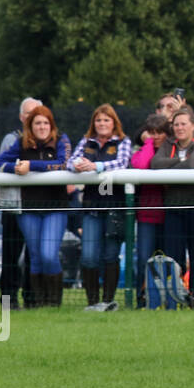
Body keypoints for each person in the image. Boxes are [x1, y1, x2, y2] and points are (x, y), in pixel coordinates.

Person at [0, 105, 72, 307]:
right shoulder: (21, 143)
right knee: (35, 256)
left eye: (46, 122)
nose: (42, 126)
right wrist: (15, 168)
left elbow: (63, 164)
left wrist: (31, 166)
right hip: (28, 208)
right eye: (38, 123)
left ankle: (54, 303)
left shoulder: (62, 140)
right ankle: (39, 304)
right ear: (30, 125)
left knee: (48, 254)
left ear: (51, 125)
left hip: (55, 207)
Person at [70, 104, 133, 310]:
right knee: (88, 255)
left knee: (110, 255)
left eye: (106, 120)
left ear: (114, 122)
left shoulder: (123, 142)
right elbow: (72, 161)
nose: (102, 124)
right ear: (93, 123)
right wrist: (78, 165)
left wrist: (96, 166)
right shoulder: (86, 142)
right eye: (98, 120)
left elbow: (122, 163)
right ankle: (92, 302)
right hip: (91, 207)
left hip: (115, 207)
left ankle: (108, 301)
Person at [150, 105, 194, 305]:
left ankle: (193, 295)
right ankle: (175, 296)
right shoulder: (169, 144)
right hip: (174, 207)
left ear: (193, 126)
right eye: (176, 124)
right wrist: (180, 159)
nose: (179, 128)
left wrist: (172, 168)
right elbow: (154, 164)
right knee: (173, 255)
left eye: (183, 124)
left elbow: (193, 164)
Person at [0, 97, 41, 309]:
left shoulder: (48, 139)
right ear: (21, 117)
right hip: (14, 205)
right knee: (11, 253)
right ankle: (8, 298)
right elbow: (1, 164)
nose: (32, 117)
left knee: (34, 253)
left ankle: (32, 297)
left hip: (36, 205)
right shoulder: (11, 139)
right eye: (29, 113)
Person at [129, 113, 171, 307]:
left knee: (167, 260)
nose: (156, 137)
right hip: (146, 215)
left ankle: (167, 299)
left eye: (159, 133)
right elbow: (142, 165)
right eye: (152, 133)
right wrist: (147, 145)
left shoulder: (172, 150)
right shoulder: (142, 150)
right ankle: (142, 298)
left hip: (169, 213)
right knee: (143, 259)